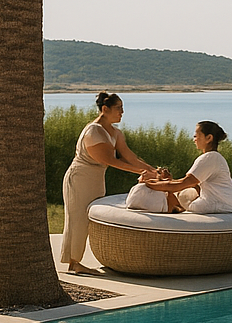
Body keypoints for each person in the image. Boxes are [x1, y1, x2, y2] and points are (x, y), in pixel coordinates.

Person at [60, 92, 162, 274]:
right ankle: (74, 263)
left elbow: (130, 157)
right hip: (79, 179)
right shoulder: (94, 131)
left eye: (122, 108)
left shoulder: (115, 132)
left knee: (89, 219)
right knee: (78, 220)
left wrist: (154, 171)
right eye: (118, 108)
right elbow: (111, 160)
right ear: (105, 109)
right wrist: (142, 172)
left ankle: (75, 261)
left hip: (95, 179)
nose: (122, 112)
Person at [128, 121, 232, 214]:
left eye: (196, 136)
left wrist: (149, 184)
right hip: (224, 203)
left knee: (169, 195)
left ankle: (172, 207)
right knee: (178, 193)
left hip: (216, 205)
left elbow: (183, 183)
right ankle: (172, 203)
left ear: (209, 138)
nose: (194, 139)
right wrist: (162, 182)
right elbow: (191, 184)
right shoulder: (214, 157)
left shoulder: (209, 158)